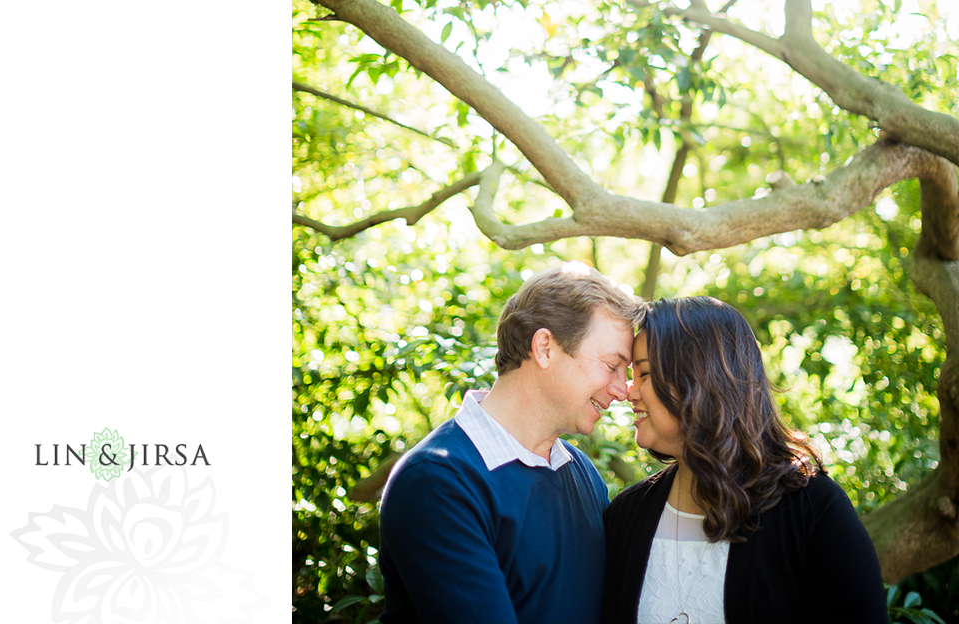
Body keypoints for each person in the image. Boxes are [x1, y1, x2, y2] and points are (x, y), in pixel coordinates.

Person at [379, 261, 647, 624]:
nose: (622, 389)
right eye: (613, 365)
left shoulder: (581, 473)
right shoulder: (437, 481)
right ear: (545, 348)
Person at [602, 296, 889, 624]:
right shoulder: (625, 518)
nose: (628, 391)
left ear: (700, 380)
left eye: (645, 374)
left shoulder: (812, 510)